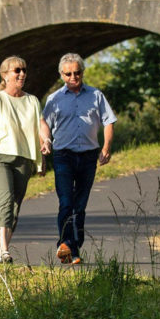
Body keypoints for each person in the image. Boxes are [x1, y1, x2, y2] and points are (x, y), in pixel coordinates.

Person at [42, 52, 117, 265]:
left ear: (82, 72)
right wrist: (46, 140)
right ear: (61, 75)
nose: (73, 77)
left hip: (88, 156)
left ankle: (72, 248)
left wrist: (106, 147)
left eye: (77, 73)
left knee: (80, 205)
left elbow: (109, 121)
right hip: (63, 155)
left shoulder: (96, 96)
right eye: (68, 74)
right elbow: (44, 122)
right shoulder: (54, 99)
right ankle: (67, 245)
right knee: (66, 202)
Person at [0, 55, 48, 264]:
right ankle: (5, 250)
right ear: (5, 75)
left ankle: (1, 251)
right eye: (17, 70)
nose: (22, 74)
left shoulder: (32, 100)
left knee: (15, 208)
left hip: (24, 159)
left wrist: (46, 142)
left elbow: (41, 126)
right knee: (5, 200)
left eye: (24, 70)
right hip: (0, 158)